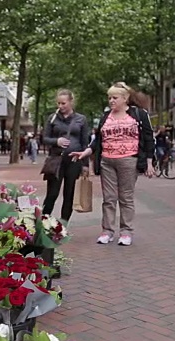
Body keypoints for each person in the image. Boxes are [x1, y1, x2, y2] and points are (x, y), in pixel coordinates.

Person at [69, 82, 155, 246]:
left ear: (125, 98)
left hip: (129, 160)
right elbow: (98, 141)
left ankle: (126, 232)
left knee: (126, 197)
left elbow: (149, 139)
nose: (111, 101)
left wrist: (150, 163)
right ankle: (107, 231)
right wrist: (85, 152)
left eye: (115, 98)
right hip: (107, 161)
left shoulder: (139, 115)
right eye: (109, 98)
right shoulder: (105, 117)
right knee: (108, 198)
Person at [41, 89, 90, 223]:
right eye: (58, 103)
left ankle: (63, 225)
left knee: (69, 194)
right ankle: (43, 222)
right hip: (56, 161)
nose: (60, 106)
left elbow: (85, 143)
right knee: (52, 194)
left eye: (63, 103)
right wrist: (56, 141)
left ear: (71, 102)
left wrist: (85, 165)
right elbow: (44, 138)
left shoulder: (81, 119)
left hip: (74, 161)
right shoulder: (52, 118)